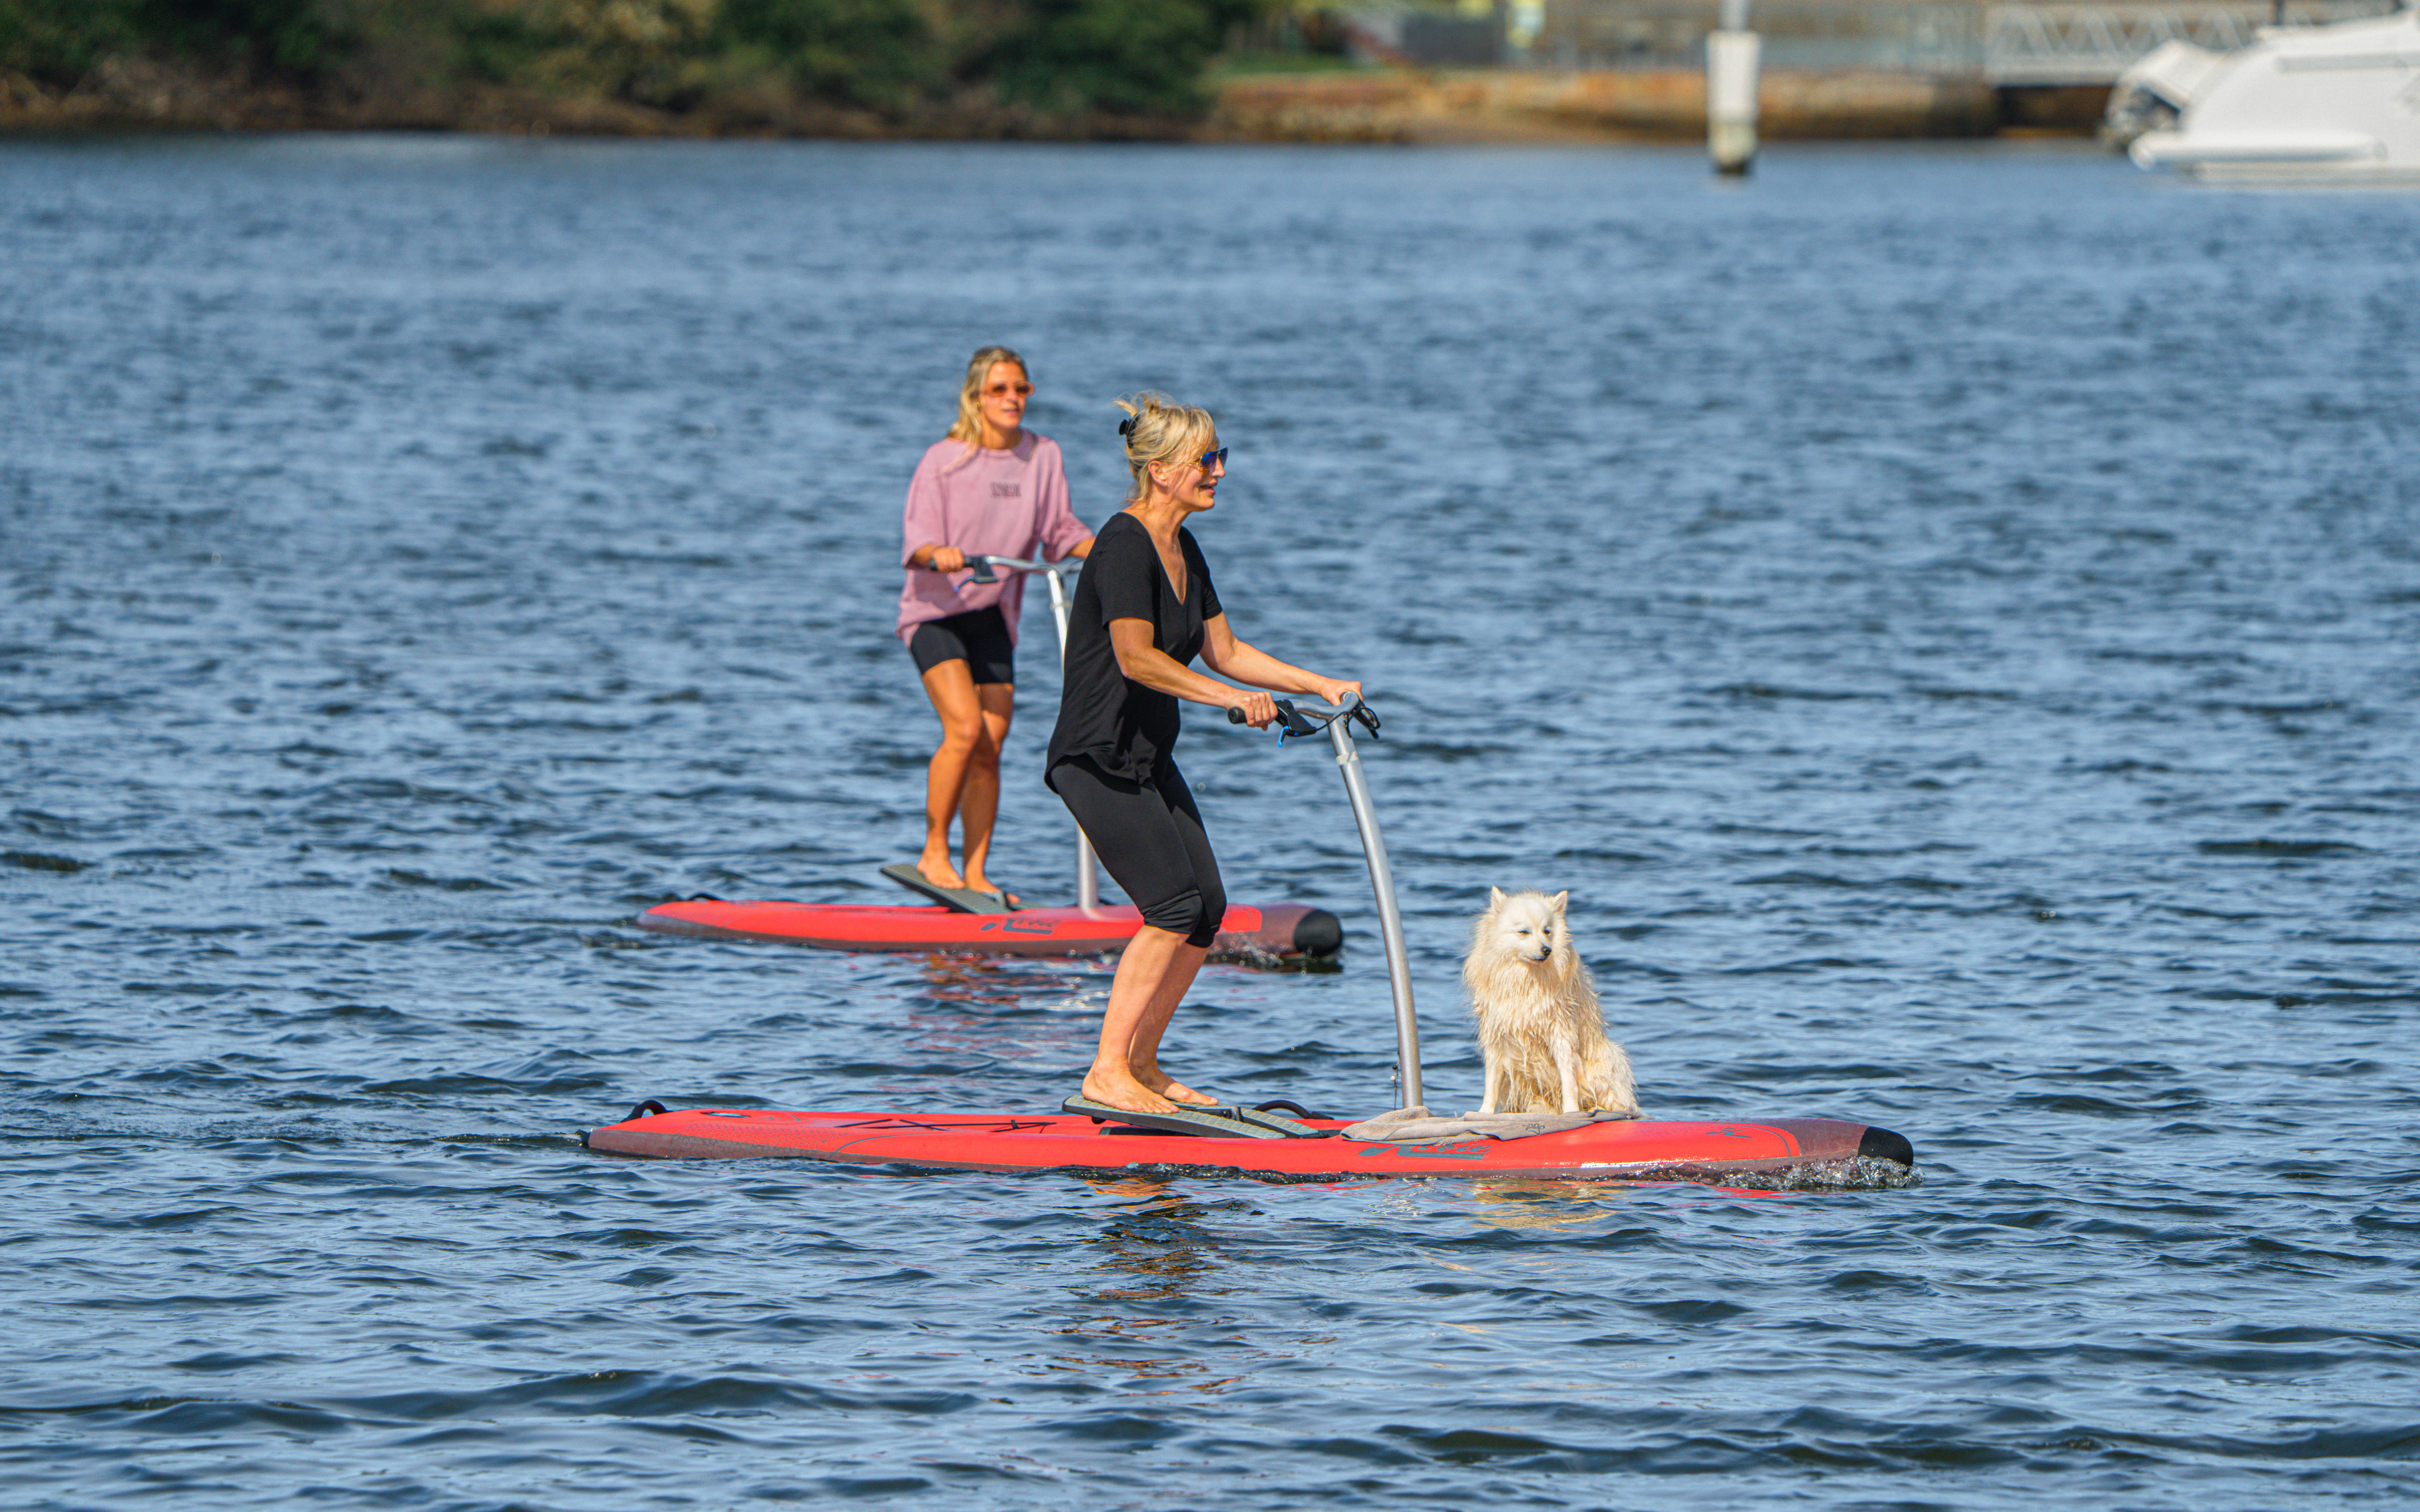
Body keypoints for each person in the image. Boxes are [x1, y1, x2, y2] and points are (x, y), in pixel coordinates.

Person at [1045, 393, 1361, 1115]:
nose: (1219, 471)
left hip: (1148, 756)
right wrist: (1223, 700)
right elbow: (1135, 657)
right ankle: (1104, 1072)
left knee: (1205, 908)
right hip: (1094, 756)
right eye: (1206, 460)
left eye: (1221, 457)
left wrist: (1319, 682)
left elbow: (1225, 649)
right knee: (1169, 905)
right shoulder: (1123, 543)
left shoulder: (1183, 545)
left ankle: (1141, 1064)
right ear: (1160, 471)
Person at [897, 346, 1093, 905]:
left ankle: (976, 871)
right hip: (935, 612)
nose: (1013, 400)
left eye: (1022, 390)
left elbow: (1059, 528)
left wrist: (1102, 548)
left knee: (992, 742)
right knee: (964, 729)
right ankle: (934, 850)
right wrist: (942, 554)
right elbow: (917, 541)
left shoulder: (1043, 454)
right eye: (1001, 390)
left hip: (991, 616)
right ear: (977, 397)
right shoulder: (945, 459)